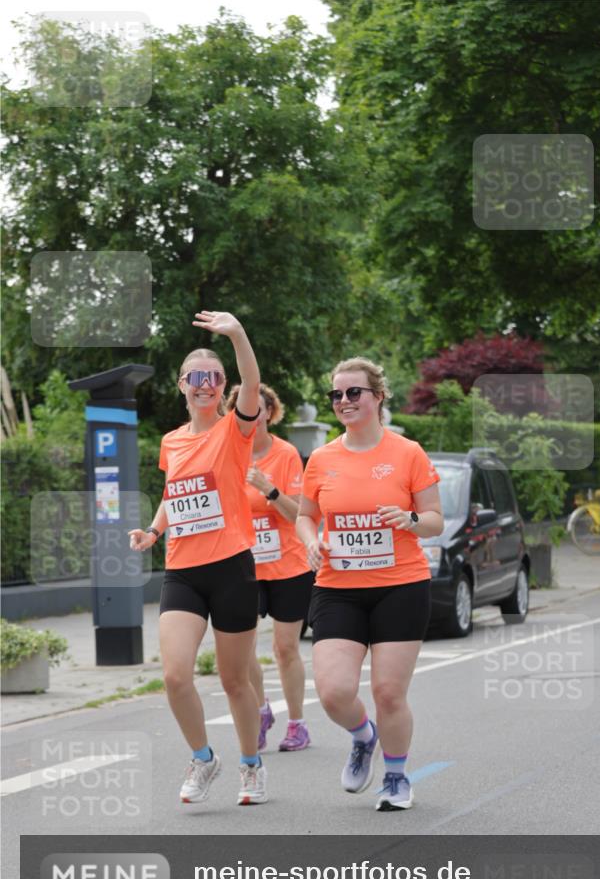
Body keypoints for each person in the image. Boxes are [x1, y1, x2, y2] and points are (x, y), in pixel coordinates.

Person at [129, 310, 268, 806]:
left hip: (232, 566)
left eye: (213, 378)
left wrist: (236, 334)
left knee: (234, 680)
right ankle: (204, 758)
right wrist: (152, 530)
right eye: (195, 378)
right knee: (174, 675)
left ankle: (251, 765)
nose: (204, 385)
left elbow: (252, 382)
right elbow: (175, 491)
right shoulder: (171, 441)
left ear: (221, 385)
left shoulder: (235, 430)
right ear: (182, 386)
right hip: (184, 571)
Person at [296, 357, 443, 811]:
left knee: (387, 691)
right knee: (334, 691)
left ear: (377, 397)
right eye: (336, 395)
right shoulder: (322, 459)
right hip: (338, 587)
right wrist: (311, 541)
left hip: (401, 584)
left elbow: (436, 520)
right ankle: (364, 737)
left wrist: (411, 519)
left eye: (353, 392)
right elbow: (305, 516)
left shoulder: (407, 453)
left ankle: (397, 777)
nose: (344, 401)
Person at [227, 383, 314, 752]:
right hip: (244, 566)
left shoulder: (286, 454)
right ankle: (262, 711)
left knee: (284, 648)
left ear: (269, 412)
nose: (254, 415)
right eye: (247, 409)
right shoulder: (229, 453)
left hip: (288, 564)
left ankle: (297, 724)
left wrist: (270, 490)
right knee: (242, 650)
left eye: (260, 409)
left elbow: (301, 514)